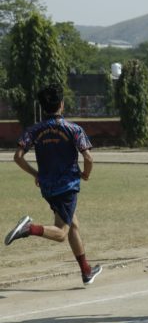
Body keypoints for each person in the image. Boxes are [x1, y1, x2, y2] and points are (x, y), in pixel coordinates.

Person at [4, 83, 102, 285]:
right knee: (62, 233)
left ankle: (86, 271)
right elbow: (89, 158)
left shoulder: (34, 130)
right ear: (62, 104)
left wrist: (36, 174)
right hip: (67, 187)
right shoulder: (73, 129)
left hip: (48, 188)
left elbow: (18, 157)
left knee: (73, 224)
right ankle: (29, 229)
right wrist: (85, 174)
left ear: (42, 107)